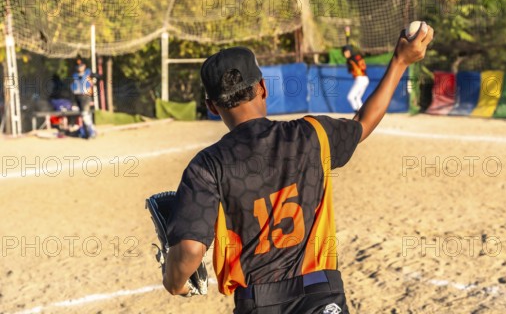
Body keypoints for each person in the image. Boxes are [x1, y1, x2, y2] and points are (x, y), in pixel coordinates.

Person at [163, 24, 434, 313]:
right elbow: (363, 123)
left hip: (258, 302)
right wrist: (400, 61)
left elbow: (191, 251)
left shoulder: (206, 166)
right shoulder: (312, 134)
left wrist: (174, 282)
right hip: (322, 292)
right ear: (263, 88)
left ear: (212, 107)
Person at [70, 59, 97, 139]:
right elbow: (73, 87)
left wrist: (93, 81)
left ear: (84, 66)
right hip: (77, 97)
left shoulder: (88, 73)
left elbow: (95, 77)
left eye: (81, 65)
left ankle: (91, 132)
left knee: (85, 115)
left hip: (85, 96)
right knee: (83, 115)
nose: (79, 67)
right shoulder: (75, 75)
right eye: (78, 66)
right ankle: (87, 131)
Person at [342, 45, 369, 112]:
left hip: (360, 79)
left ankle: (356, 112)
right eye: (344, 52)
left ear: (350, 51)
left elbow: (361, 65)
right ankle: (362, 112)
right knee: (357, 98)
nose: (345, 54)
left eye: (347, 52)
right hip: (365, 79)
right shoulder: (353, 58)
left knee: (350, 97)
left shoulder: (352, 58)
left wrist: (350, 60)